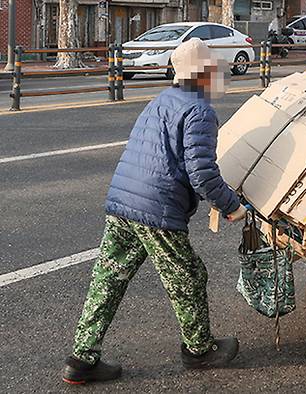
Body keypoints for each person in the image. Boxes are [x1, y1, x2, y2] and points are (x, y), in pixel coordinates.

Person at [62, 38, 247, 385]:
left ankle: (82, 358)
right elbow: (202, 172)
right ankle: (199, 351)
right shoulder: (200, 111)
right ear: (205, 74)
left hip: (122, 202)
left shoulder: (162, 100)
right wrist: (231, 206)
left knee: (108, 280)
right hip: (156, 208)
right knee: (188, 276)